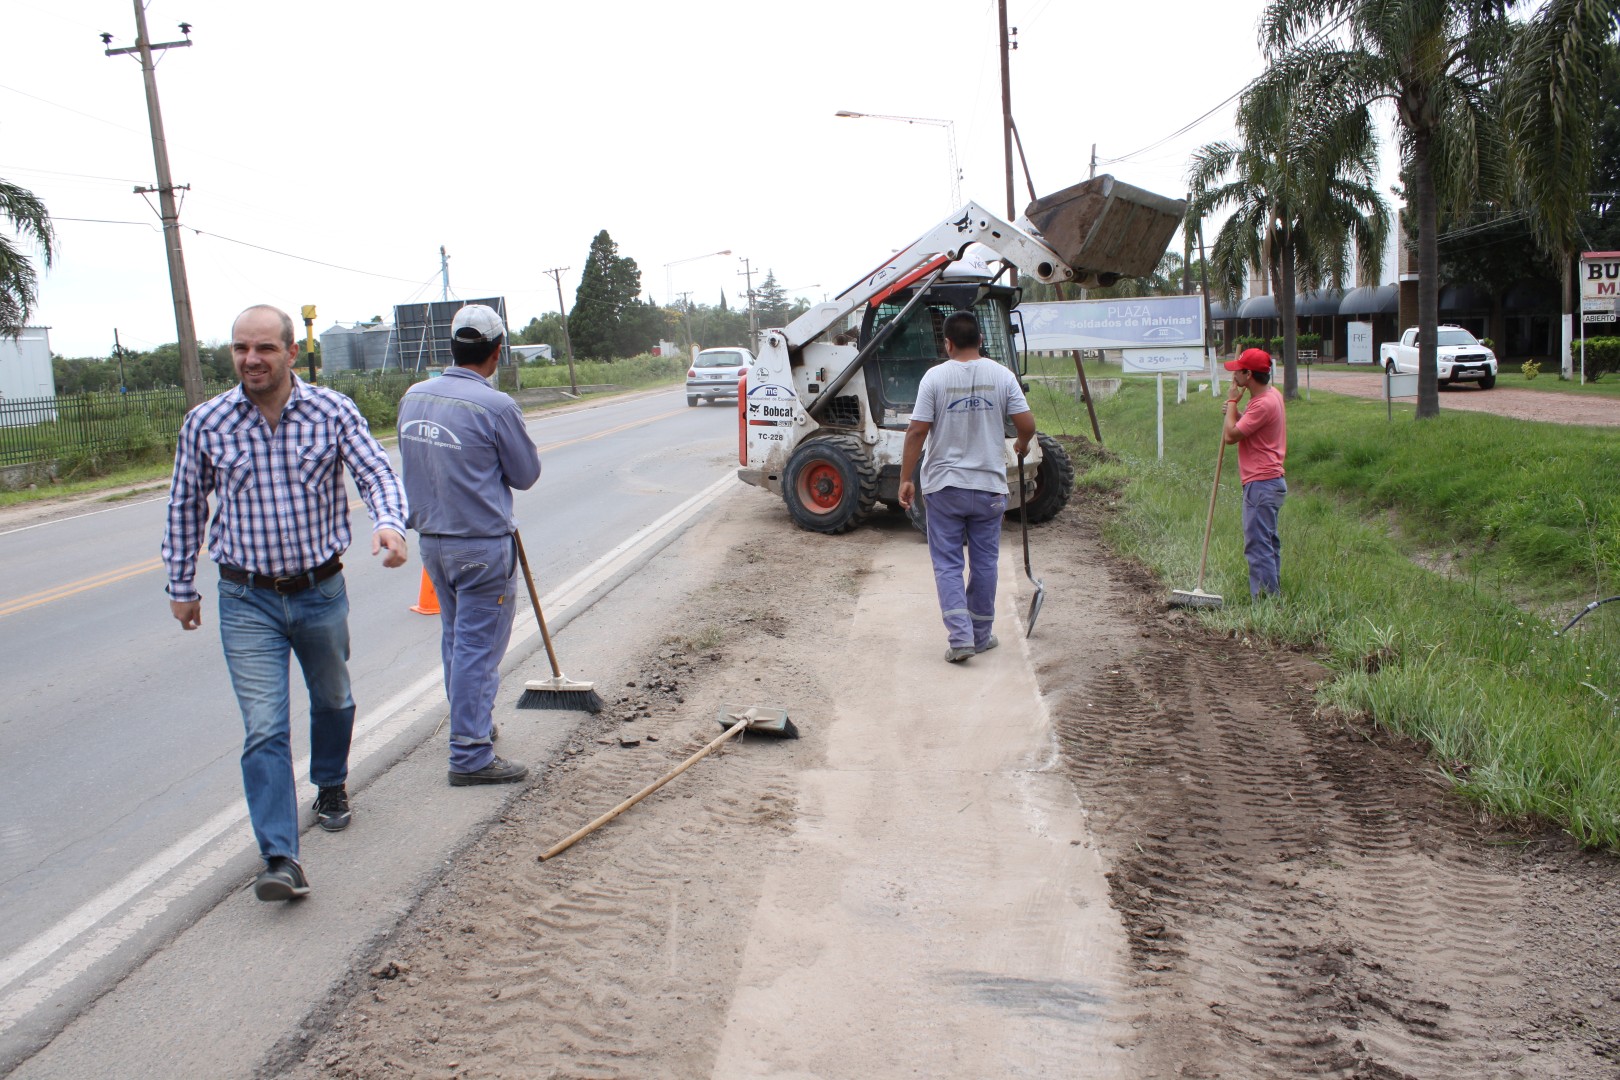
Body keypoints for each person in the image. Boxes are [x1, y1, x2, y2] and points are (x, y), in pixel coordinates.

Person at [162, 304, 409, 902]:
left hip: (320, 590)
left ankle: (330, 782)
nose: (251, 359)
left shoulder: (332, 410)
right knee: (265, 727)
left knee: (334, 700)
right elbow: (186, 504)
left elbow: (377, 473)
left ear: (291, 353)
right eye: (241, 348)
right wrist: (181, 585)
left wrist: (389, 524)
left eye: (265, 348)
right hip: (245, 597)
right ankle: (279, 857)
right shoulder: (206, 422)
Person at [397, 304, 541, 786]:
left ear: (453, 347)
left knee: (457, 640)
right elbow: (525, 474)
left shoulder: (414, 397)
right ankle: (470, 753)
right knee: (477, 648)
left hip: (433, 543)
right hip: (480, 546)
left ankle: (472, 723)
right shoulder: (495, 406)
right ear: (497, 352)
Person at [898, 310, 1036, 662]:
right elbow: (1026, 424)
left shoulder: (935, 378)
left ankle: (960, 638)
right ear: (981, 340)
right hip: (989, 487)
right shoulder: (1002, 375)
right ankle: (981, 635)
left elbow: (916, 431)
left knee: (947, 563)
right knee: (985, 562)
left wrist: (906, 478)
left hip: (944, 488)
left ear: (948, 344)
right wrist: (1021, 445)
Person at [1222, 347, 1287, 597]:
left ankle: (1266, 602)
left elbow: (1230, 436)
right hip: (1269, 482)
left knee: (1258, 545)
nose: (1234, 375)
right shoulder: (1272, 395)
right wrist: (1235, 413)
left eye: (1238, 371)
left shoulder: (1263, 403)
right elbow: (1251, 426)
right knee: (1267, 543)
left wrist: (1231, 402)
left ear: (1249, 375)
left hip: (1261, 483)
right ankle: (1272, 597)